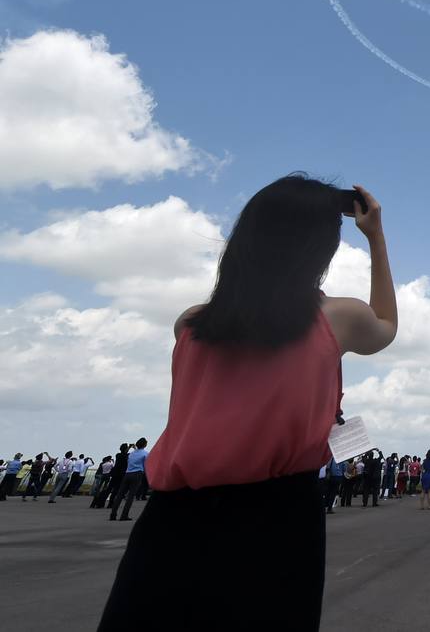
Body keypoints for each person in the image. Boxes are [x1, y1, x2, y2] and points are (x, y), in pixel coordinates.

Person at [98, 177, 398, 631]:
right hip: (277, 521)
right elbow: (387, 324)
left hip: (171, 519)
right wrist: (375, 237)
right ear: (320, 249)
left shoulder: (190, 324)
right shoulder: (340, 318)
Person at [108, 438, 149, 521]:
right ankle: (124, 515)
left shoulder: (131, 454)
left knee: (119, 495)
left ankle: (113, 514)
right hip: (137, 474)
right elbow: (146, 465)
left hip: (127, 474)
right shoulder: (145, 453)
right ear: (145, 445)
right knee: (130, 496)